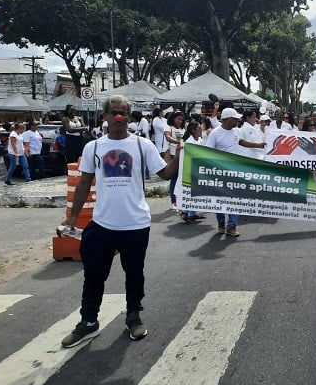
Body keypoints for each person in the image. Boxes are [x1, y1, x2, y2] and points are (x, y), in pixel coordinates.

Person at [60, 95, 181, 348]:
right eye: (114, 112)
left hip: (135, 224)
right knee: (94, 276)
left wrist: (180, 154)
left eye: (124, 113)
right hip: (102, 224)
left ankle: (134, 316)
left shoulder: (142, 145)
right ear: (105, 116)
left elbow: (166, 173)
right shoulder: (92, 147)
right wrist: (72, 218)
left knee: (134, 274)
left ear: (129, 117)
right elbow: (83, 183)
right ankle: (89, 323)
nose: (119, 117)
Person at [206, 107, 242, 237]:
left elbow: (242, 143)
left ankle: (231, 226)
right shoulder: (215, 133)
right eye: (235, 118)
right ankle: (221, 222)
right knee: (220, 200)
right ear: (227, 120)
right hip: (220, 173)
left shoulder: (237, 131)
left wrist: (261, 145)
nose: (238, 120)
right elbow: (208, 152)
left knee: (235, 199)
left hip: (235, 172)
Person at [164, 111, 185, 210]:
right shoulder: (169, 127)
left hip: (183, 155)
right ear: (173, 119)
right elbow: (168, 137)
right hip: (173, 156)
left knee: (181, 179)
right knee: (174, 178)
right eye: (178, 119)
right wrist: (179, 142)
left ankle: (180, 199)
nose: (180, 121)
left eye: (181, 120)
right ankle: (173, 200)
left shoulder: (183, 129)